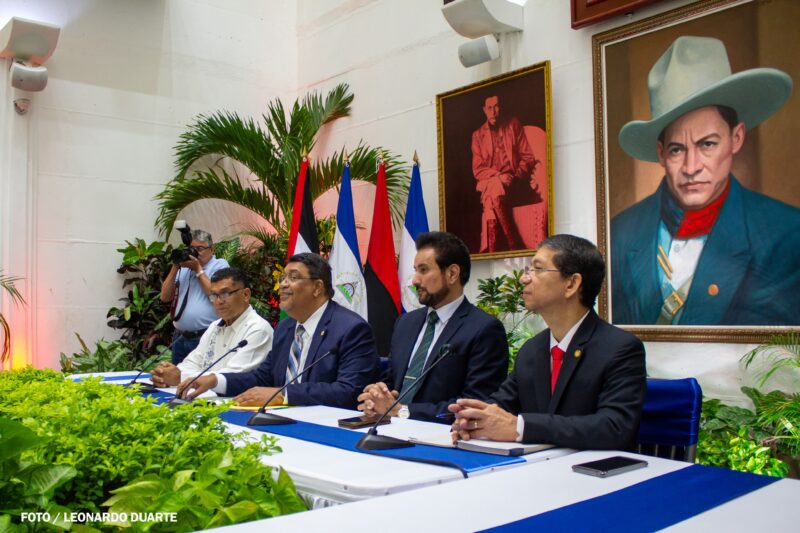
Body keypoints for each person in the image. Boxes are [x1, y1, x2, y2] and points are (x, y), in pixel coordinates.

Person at [611, 35, 800, 326]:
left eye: (707, 144)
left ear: (736, 138)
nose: (691, 167)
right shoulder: (620, 233)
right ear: (661, 153)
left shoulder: (786, 234)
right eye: (677, 150)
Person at [450, 234, 646, 450]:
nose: (524, 279)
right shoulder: (532, 349)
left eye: (537, 269)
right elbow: (503, 403)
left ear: (571, 284)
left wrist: (521, 428)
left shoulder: (620, 348)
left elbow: (615, 427)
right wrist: (475, 418)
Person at [179, 253, 378, 409]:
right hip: (281, 419)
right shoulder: (285, 328)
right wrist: (216, 381)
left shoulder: (351, 329)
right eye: (283, 278)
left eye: (293, 277)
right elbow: (262, 378)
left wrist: (283, 395)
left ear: (317, 287)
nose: (282, 284)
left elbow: (348, 390)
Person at [357, 232, 508, 422]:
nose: (414, 280)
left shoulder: (484, 329)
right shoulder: (406, 323)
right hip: (387, 427)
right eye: (415, 270)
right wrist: (378, 396)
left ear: (452, 274)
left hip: (442, 434)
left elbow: (476, 404)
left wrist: (404, 411)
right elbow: (392, 381)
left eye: (424, 270)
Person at [150, 267, 273, 387]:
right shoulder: (215, 326)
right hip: (203, 396)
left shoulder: (258, 329)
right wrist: (168, 375)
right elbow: (194, 362)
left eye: (225, 294)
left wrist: (180, 378)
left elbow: (232, 376)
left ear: (246, 294)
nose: (219, 301)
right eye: (214, 295)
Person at [471, 94, 540, 253]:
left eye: (496, 106)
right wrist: (499, 177)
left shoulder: (513, 125)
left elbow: (528, 157)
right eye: (490, 108)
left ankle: (492, 252)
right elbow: (478, 169)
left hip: (515, 183)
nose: (493, 111)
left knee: (489, 198)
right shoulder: (478, 135)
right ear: (484, 110)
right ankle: (513, 243)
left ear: (500, 107)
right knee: (494, 189)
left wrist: (515, 176)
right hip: (494, 183)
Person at [160, 229, 229, 364]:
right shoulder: (184, 268)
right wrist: (175, 265)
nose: (195, 252)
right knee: (177, 376)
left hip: (204, 336)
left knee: (200, 376)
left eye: (200, 248)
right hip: (180, 337)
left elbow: (215, 294)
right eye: (192, 248)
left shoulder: (219, 265)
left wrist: (198, 269)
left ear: (212, 249)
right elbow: (164, 297)